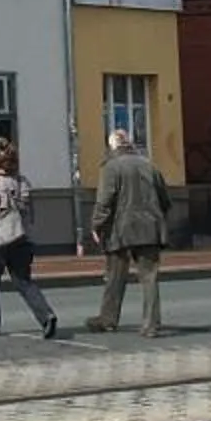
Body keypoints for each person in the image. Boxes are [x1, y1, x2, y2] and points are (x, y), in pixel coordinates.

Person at [84, 128, 173, 339]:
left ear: (112, 146)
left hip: (121, 229)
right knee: (149, 277)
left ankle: (108, 319)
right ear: (129, 144)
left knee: (115, 275)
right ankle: (151, 325)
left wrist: (97, 225)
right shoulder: (148, 164)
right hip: (150, 227)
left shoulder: (111, 167)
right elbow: (165, 199)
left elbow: (105, 201)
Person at [0, 138, 56, 337]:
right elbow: (29, 212)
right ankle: (46, 315)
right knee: (24, 281)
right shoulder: (22, 182)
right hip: (21, 238)